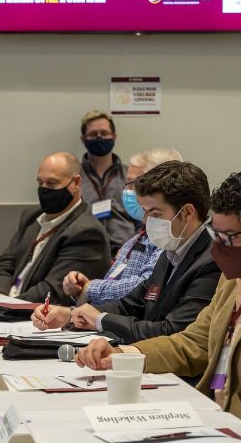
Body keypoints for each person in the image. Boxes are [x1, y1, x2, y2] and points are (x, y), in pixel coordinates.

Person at [75, 169, 241, 437]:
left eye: (229, 237)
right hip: (212, 421)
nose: (218, 247)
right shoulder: (231, 281)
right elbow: (192, 343)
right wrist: (122, 356)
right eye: (218, 235)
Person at [32, 161, 220, 343]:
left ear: (187, 212)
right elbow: (132, 303)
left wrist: (100, 320)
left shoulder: (213, 259)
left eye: (155, 214)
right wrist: (72, 314)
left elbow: (173, 331)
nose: (147, 221)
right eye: (146, 212)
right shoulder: (174, 247)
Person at [0, 152, 111, 304]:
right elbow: (5, 265)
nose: (44, 189)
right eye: (40, 183)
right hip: (7, 304)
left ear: (76, 183)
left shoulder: (87, 232)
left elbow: (54, 290)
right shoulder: (32, 216)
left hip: (36, 316)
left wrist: (8, 307)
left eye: (52, 183)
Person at [63, 148, 182, 306]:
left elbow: (146, 286)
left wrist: (90, 288)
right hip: (107, 318)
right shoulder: (137, 237)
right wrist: (81, 289)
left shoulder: (168, 235)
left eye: (133, 184)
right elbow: (113, 283)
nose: (126, 191)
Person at [78, 110, 135, 256]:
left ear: (114, 137)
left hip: (126, 251)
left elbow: (143, 216)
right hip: (84, 250)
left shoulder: (131, 175)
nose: (99, 137)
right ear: (83, 139)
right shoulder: (73, 177)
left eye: (104, 133)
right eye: (92, 134)